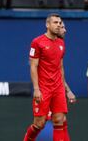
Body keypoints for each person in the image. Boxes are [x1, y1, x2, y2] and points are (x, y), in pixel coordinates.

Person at [23, 13, 68, 141]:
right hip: (43, 88)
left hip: (58, 88)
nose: (58, 25)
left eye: (60, 23)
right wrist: (36, 89)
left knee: (59, 120)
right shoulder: (37, 42)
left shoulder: (61, 43)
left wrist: (65, 89)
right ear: (47, 25)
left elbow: (60, 67)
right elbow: (33, 66)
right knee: (39, 123)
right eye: (55, 22)